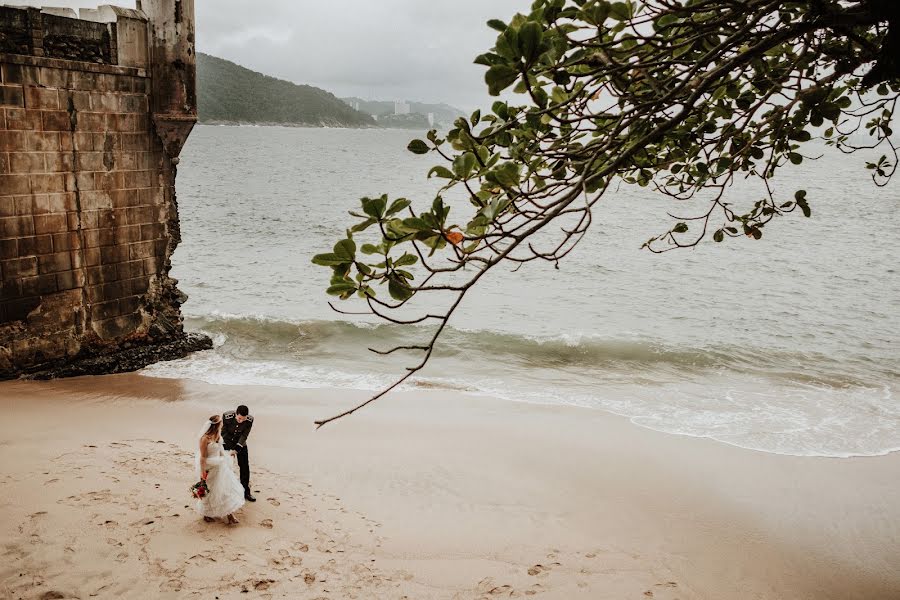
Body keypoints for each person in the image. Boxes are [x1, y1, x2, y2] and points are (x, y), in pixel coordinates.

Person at [195, 414, 244, 524]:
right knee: (210, 491)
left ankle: (230, 515)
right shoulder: (204, 439)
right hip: (209, 467)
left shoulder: (218, 435)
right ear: (216, 425)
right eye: (221, 422)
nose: (223, 424)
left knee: (225, 489)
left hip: (220, 466)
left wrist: (227, 457)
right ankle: (206, 513)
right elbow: (203, 457)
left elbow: (221, 451)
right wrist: (202, 473)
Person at [222, 405, 255, 502]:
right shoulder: (227, 416)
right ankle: (224, 490)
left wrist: (237, 449)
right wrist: (227, 449)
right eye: (239, 418)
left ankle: (246, 492)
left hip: (240, 443)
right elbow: (223, 433)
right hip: (227, 441)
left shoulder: (250, 420)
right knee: (224, 466)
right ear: (236, 414)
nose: (241, 421)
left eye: (243, 419)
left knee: (245, 467)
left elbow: (245, 435)